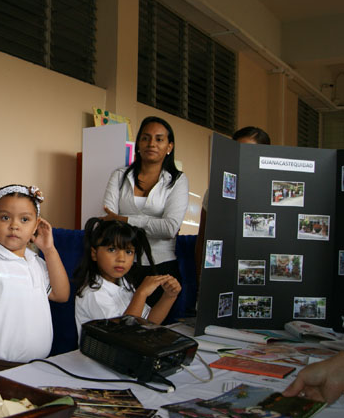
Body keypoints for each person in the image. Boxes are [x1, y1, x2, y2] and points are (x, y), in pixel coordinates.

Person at [0, 185, 69, 372]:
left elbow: (61, 295)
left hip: (38, 365)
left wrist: (49, 250)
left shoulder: (34, 261)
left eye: (25, 219)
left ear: (36, 226)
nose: (14, 225)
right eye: (5, 218)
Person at [102, 116, 188, 311]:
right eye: (145, 138)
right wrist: (153, 224)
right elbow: (109, 223)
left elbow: (169, 228)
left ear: (169, 146)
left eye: (159, 139)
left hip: (162, 267)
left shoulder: (178, 181)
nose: (151, 144)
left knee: (155, 332)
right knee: (122, 326)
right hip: (121, 264)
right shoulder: (119, 176)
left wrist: (124, 219)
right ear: (138, 144)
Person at [73, 218, 181, 339]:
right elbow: (122, 337)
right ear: (94, 254)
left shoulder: (124, 284)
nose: (121, 258)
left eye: (129, 252)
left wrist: (169, 296)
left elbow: (149, 322)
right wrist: (141, 294)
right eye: (112, 249)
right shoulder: (92, 294)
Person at [195, 126, 271, 281]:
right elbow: (203, 238)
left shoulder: (271, 191)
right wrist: (200, 277)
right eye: (237, 150)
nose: (242, 156)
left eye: (249, 151)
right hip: (223, 273)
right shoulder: (216, 190)